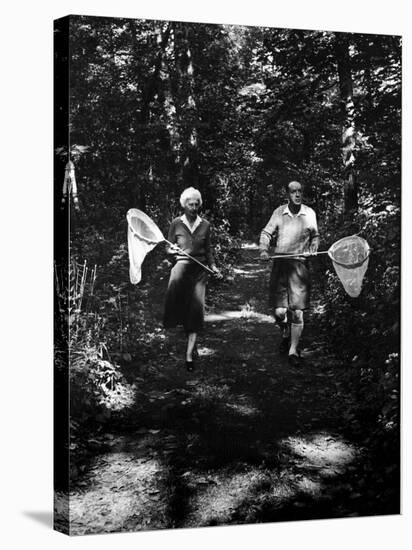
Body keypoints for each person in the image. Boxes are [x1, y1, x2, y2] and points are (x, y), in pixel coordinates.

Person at [259, 181, 319, 367]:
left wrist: (313, 248)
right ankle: (285, 332)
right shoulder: (279, 212)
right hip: (280, 264)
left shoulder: (309, 213)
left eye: (300, 191)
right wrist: (263, 249)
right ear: (287, 194)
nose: (297, 194)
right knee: (279, 312)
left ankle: (293, 350)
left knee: (298, 312)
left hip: (300, 265)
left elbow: (315, 236)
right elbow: (266, 233)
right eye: (293, 191)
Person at [163, 187, 221, 371]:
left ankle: (188, 355)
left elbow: (208, 249)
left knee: (195, 310)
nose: (194, 207)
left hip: (199, 271)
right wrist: (170, 250)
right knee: (178, 307)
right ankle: (189, 338)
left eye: (197, 204)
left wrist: (213, 266)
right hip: (180, 270)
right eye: (190, 204)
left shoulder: (205, 224)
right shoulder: (176, 223)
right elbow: (168, 247)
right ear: (184, 205)